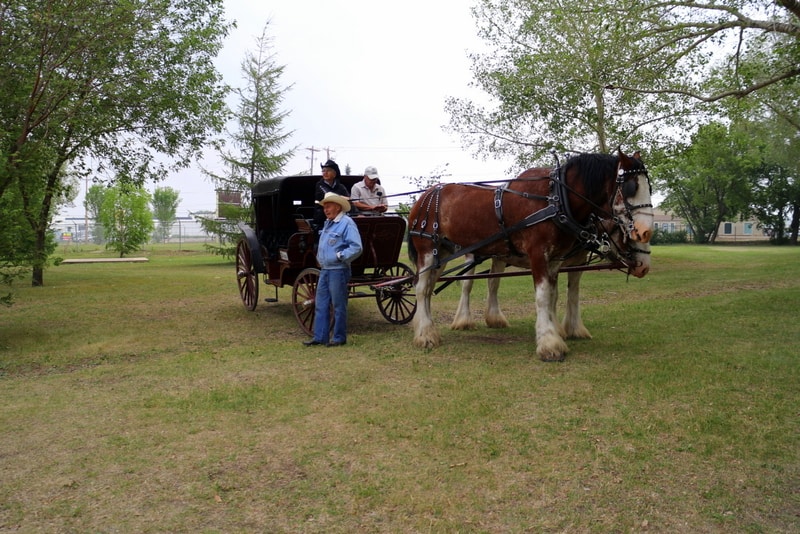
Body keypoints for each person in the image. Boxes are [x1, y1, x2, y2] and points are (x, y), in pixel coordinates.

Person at [303, 192, 363, 347]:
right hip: (325, 269)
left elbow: (356, 247)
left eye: (328, 206)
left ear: (337, 206)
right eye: (324, 207)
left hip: (338, 270)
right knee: (321, 304)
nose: (325, 209)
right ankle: (320, 337)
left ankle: (338, 338)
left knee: (338, 305)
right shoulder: (328, 223)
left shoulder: (347, 223)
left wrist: (340, 255)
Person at [313, 159, 351, 230]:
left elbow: (349, 200)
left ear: (334, 174)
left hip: (340, 218)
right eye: (323, 171)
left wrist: (358, 214)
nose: (325, 173)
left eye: (328, 170)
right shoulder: (319, 185)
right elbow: (328, 195)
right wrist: (341, 197)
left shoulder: (341, 187)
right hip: (322, 219)